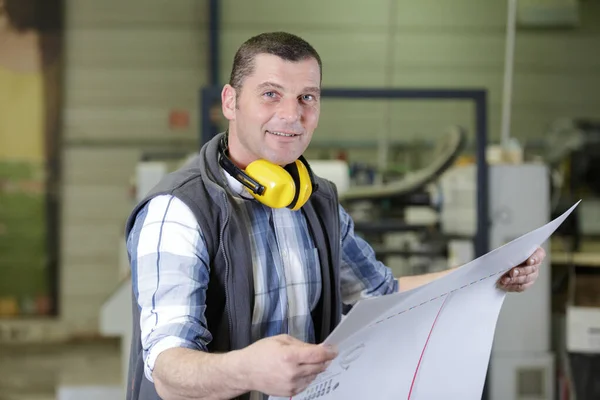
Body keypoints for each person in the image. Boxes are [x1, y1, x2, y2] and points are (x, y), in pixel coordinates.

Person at [125, 32, 546, 400]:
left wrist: (490, 272)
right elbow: (167, 368)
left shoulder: (317, 201)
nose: (292, 115)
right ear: (231, 102)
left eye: (307, 97)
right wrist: (248, 370)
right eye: (271, 94)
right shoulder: (180, 211)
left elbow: (382, 292)